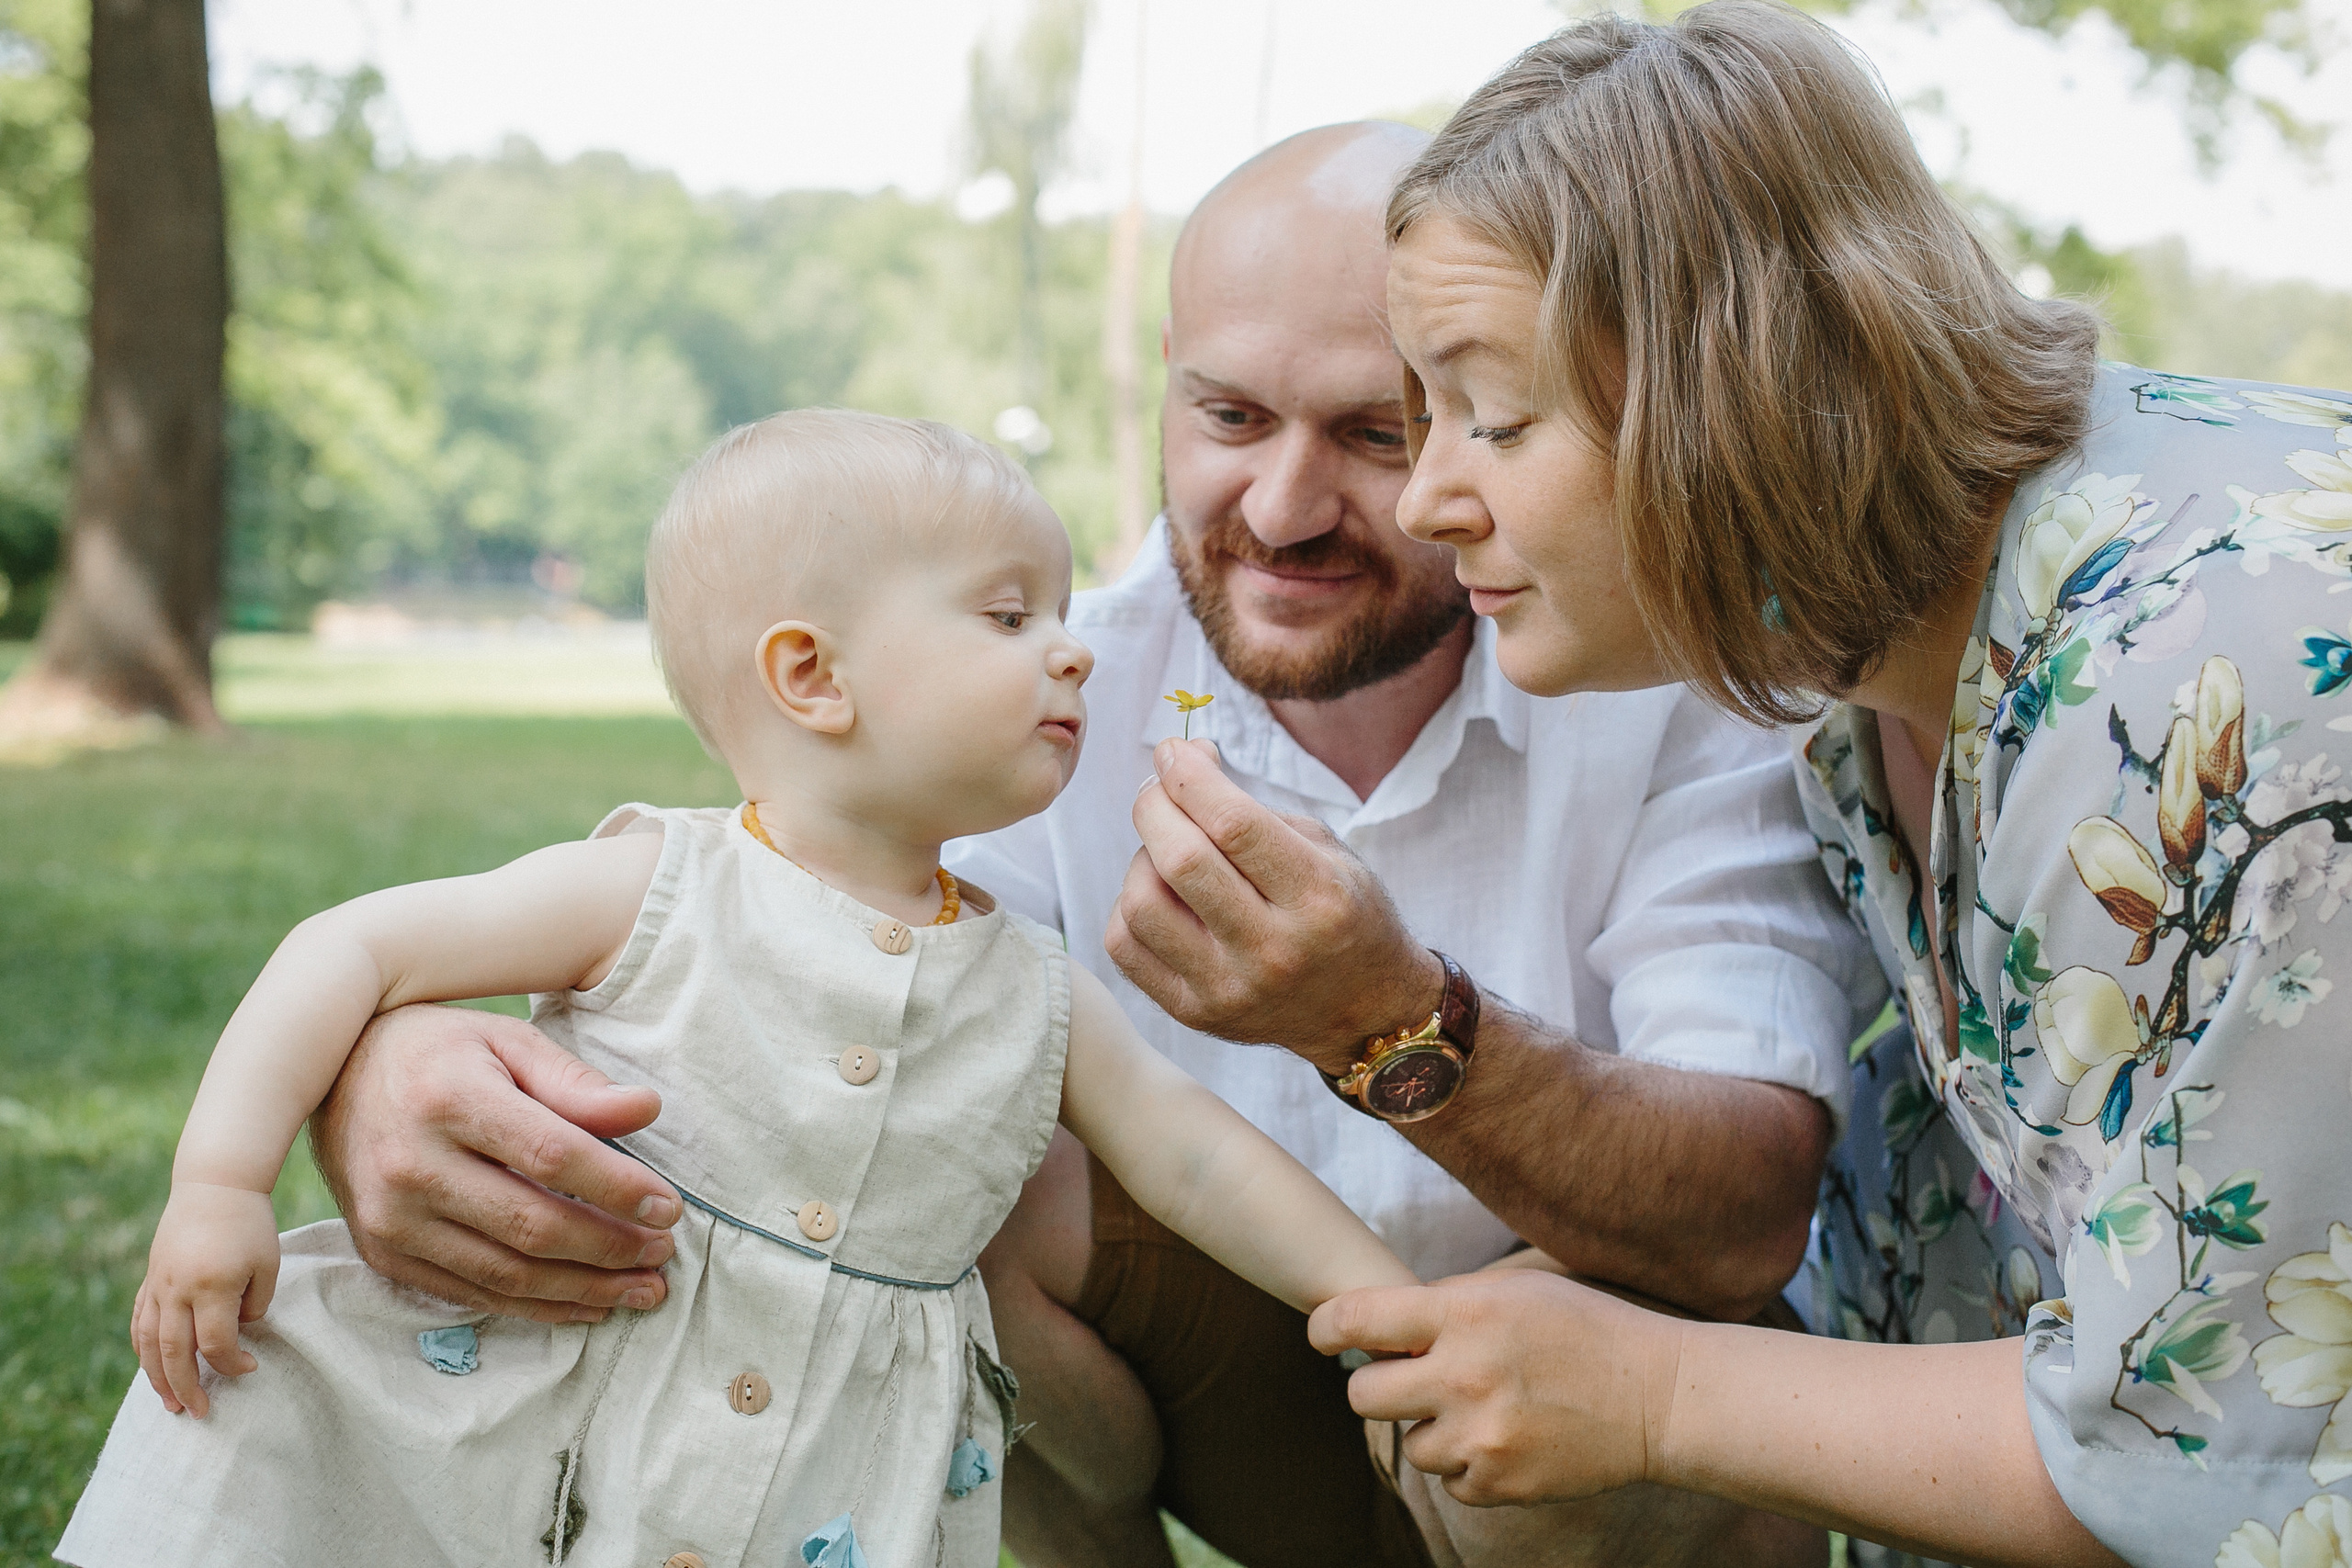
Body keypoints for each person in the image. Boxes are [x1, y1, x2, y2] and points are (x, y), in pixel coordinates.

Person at [301, 127, 1881, 1568]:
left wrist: (1387, 1019)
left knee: (1604, 1368)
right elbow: (759, 955)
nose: (1280, 505)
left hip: (1591, 1423)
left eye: (1379, 436)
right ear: (1169, 383)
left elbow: (1740, 1221)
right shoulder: (1046, 684)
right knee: (969, 1201)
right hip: (1210, 1400)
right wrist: (385, 1065)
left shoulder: (1674, 677)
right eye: (1230, 416)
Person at [1306, 6, 2352, 1566]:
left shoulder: (2216, 692)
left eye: (1495, 415)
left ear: (1738, 394)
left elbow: (2219, 1461)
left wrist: (1656, 1394)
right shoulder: (1868, 683)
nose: (1425, 496)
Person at [57, 410, 1418, 1568]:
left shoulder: (1033, 981)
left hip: (828, 1472)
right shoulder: (657, 888)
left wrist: (1384, 1304)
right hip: (563, 1409)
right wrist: (220, 1187)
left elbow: (1190, 1158)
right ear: (811, 677)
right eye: (1009, 616)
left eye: (1061, 616)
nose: (1071, 652)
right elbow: (350, 949)